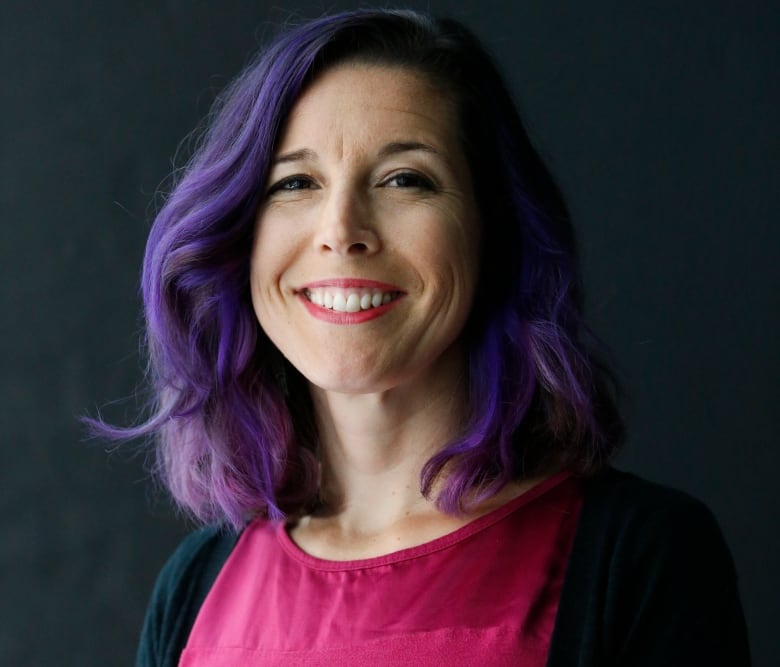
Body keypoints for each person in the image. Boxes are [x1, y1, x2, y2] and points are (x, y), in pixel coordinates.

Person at [100, 9, 749, 666]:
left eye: (403, 179)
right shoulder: (194, 586)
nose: (341, 229)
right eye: (295, 182)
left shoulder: (640, 555)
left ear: (492, 230)